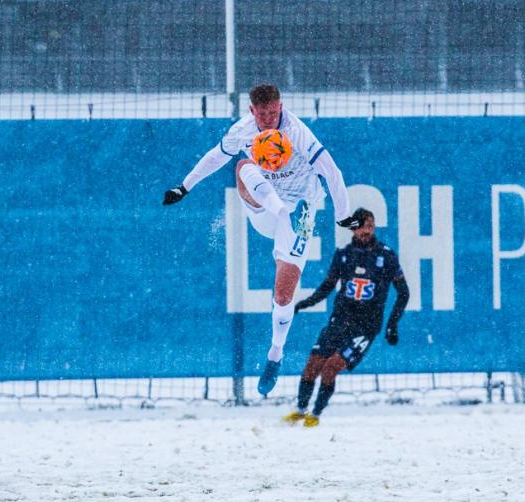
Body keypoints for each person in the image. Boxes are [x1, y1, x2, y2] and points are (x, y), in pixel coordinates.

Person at [162, 84, 359, 396]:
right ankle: (280, 211)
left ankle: (275, 355)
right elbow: (216, 157)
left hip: (301, 212)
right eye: (262, 113)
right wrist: (184, 187)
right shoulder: (243, 131)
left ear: (280, 106)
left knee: (283, 297)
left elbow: (331, 172)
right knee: (242, 166)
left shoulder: (297, 133)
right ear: (252, 111)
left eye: (274, 111)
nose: (269, 117)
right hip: (265, 207)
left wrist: (342, 215)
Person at [285, 208, 410, 427]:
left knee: (331, 366)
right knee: (313, 364)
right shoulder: (343, 255)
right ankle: (300, 411)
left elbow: (403, 292)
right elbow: (328, 286)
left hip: (365, 327)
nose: (366, 230)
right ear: (353, 229)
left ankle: (314, 416)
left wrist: (392, 324)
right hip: (339, 320)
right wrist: (305, 303)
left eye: (370, 225)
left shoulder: (386, 256)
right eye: (361, 226)